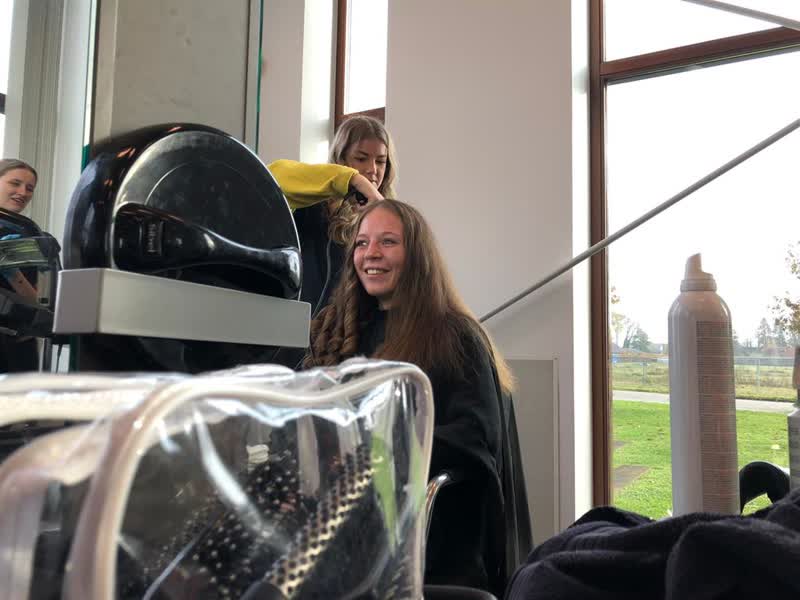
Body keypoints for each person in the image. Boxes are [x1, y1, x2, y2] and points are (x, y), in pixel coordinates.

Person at [304, 199, 514, 591]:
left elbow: (474, 438)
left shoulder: (455, 336)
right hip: (349, 523)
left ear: (417, 255)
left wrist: (382, 446)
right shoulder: (342, 330)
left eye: (388, 242)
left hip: (427, 541)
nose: (371, 253)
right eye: (362, 243)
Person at [268, 115, 399, 318]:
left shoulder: (388, 220)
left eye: (380, 161)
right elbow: (273, 175)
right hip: (305, 326)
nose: (372, 170)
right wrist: (354, 180)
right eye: (361, 159)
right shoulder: (313, 204)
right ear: (342, 158)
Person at [0, 158, 42, 372]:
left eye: (29, 188)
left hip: (15, 345)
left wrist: (12, 274)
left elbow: (36, 302)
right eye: (15, 183)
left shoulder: (27, 233)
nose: (23, 192)